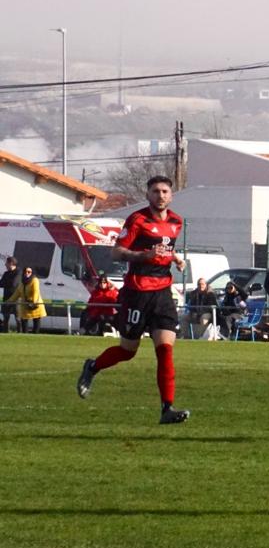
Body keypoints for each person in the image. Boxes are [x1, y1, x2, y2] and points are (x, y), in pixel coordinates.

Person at [75, 175, 191, 424]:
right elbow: (116, 252)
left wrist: (175, 259)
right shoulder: (137, 220)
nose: (160, 196)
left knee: (165, 350)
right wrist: (145, 254)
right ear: (148, 194)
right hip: (137, 292)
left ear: (171, 196)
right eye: (155, 191)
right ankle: (93, 366)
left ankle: (166, 409)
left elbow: (165, 250)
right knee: (128, 351)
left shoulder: (176, 222)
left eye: (165, 192)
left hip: (163, 293)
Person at [15, 266, 46, 333]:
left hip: (35, 304)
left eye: (29, 272)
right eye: (25, 272)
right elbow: (17, 293)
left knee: (36, 319)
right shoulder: (22, 282)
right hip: (25, 304)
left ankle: (35, 335)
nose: (27, 273)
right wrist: (9, 301)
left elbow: (36, 291)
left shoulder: (35, 280)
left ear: (32, 273)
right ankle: (25, 334)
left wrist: (34, 302)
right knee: (24, 319)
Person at [1, 256, 19, 333]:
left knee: (18, 318)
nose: (5, 265)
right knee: (5, 318)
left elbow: (13, 284)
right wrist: (5, 283)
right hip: (6, 298)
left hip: (16, 299)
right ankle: (5, 332)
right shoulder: (6, 273)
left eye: (6, 263)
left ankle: (20, 332)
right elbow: (1, 283)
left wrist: (5, 282)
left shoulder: (18, 272)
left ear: (11, 263)